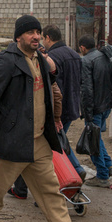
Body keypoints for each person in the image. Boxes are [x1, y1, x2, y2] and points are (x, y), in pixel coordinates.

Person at [0, 15, 95, 222]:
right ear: (18, 37)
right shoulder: (5, 61)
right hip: (11, 142)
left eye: (38, 32)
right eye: (30, 32)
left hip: (38, 142)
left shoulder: (41, 60)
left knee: (52, 195)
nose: (36, 36)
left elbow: (47, 94)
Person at [43, 24, 87, 180]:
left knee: (55, 145)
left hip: (59, 108)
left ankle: (73, 170)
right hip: (73, 105)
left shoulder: (52, 57)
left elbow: (53, 86)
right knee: (60, 140)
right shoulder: (74, 54)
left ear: (48, 37)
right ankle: (76, 168)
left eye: (43, 38)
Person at [78, 34, 112, 187]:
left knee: (93, 141)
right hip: (107, 104)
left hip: (95, 107)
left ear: (83, 47)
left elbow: (87, 90)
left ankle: (102, 175)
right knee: (98, 139)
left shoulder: (87, 61)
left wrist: (87, 114)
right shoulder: (105, 56)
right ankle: (109, 167)